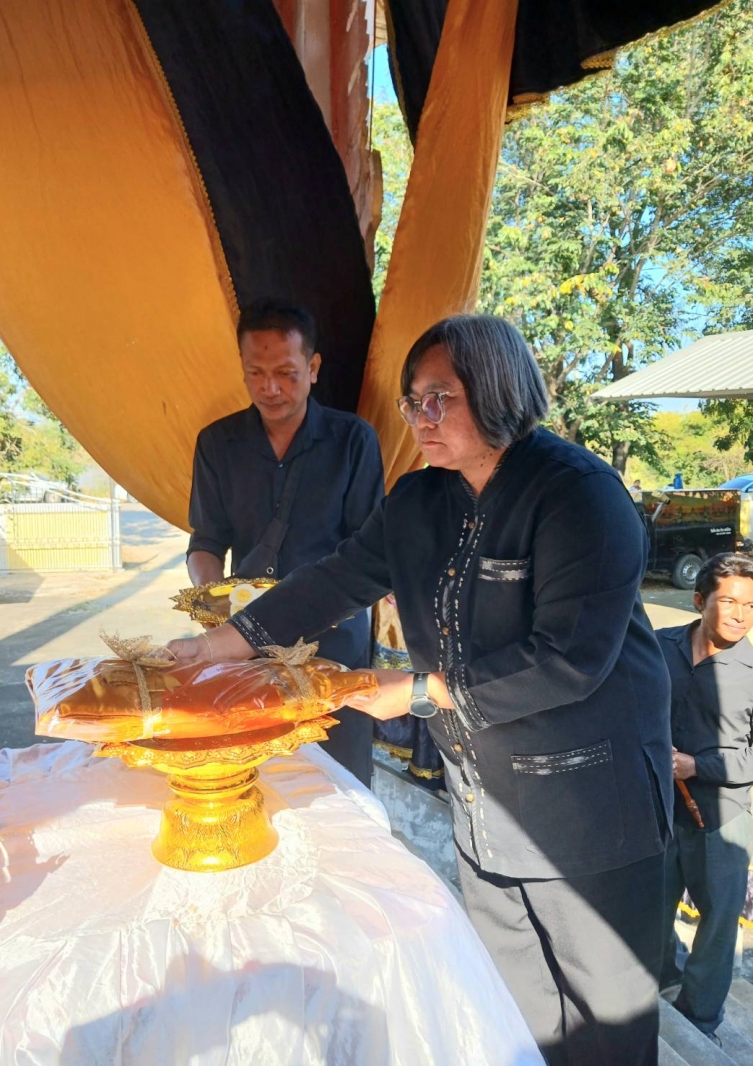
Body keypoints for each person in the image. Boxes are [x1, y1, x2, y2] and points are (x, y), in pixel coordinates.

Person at [170, 313, 673, 1065]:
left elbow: (569, 661)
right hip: (485, 806)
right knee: (518, 1017)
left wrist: (416, 690)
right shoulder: (419, 500)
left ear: (498, 389)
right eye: (414, 402)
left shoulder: (579, 494)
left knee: (607, 1028)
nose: (421, 418)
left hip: (590, 813)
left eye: (441, 398)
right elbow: (333, 581)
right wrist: (214, 646)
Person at [186, 297, 384, 785]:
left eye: (286, 373)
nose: (270, 388)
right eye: (255, 373)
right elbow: (206, 540)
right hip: (246, 637)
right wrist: (211, 602)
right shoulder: (217, 444)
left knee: (338, 779)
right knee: (255, 773)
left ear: (313, 368)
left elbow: (369, 551)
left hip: (333, 641)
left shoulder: (353, 441)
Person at [657, 552, 753, 1047]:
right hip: (659, 808)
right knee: (652, 908)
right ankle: (660, 984)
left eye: (751, 605)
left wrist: (698, 766)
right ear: (699, 601)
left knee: (716, 925)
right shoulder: (660, 646)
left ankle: (699, 1021)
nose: (741, 615)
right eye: (729, 602)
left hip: (722, 817)